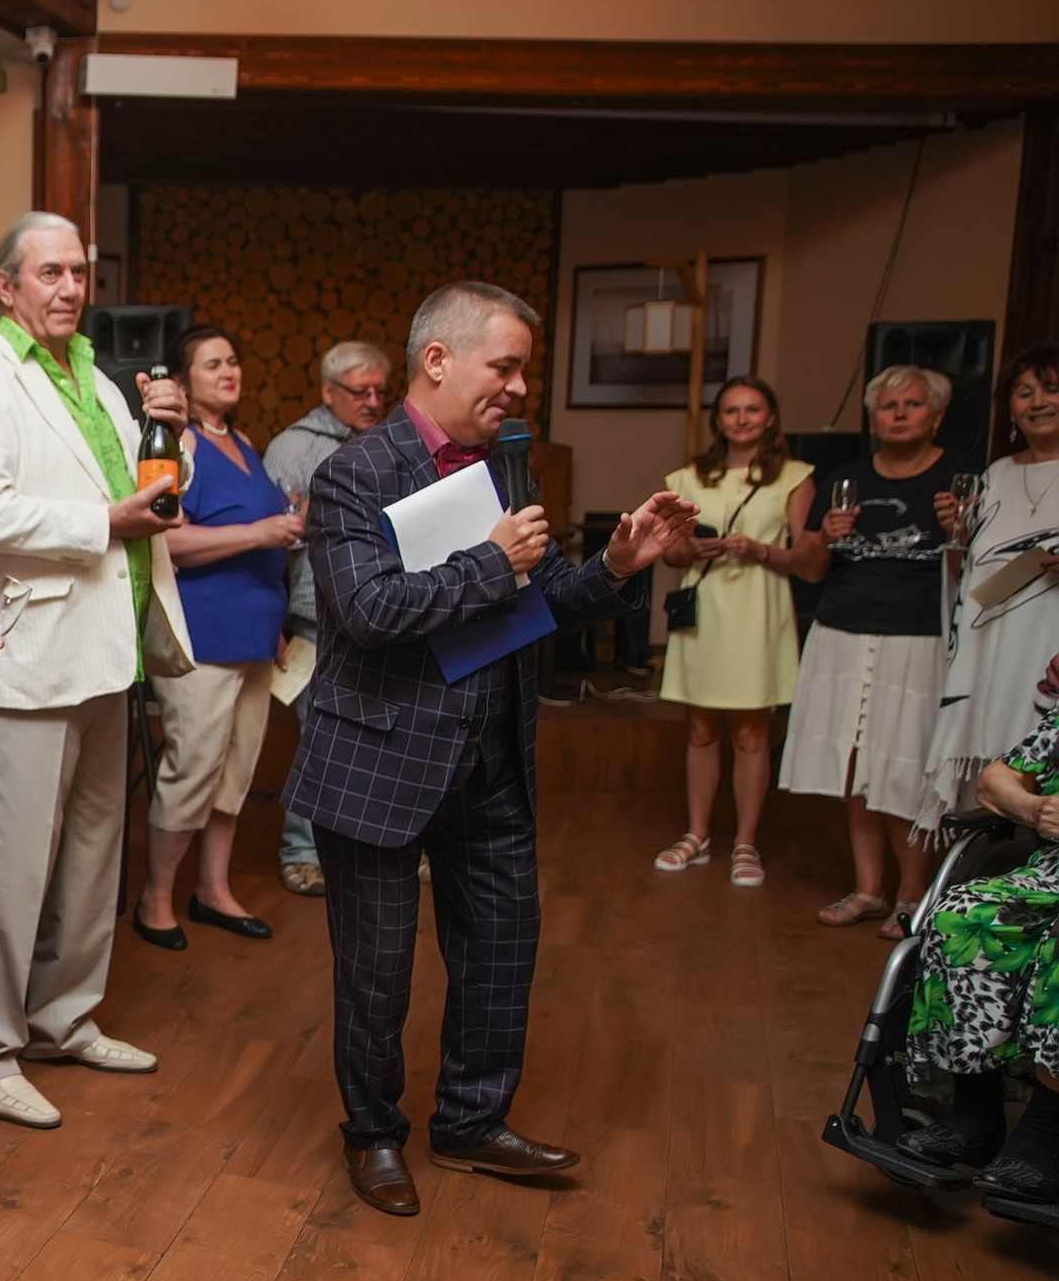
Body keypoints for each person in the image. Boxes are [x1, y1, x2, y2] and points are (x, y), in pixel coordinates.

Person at [287, 280, 694, 1217]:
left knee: (503, 956)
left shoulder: (505, 464)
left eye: (522, 370)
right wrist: (492, 564)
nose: (518, 387)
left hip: (491, 761)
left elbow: (541, 593)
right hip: (382, 762)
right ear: (440, 360)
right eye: (503, 366)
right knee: (377, 976)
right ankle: (375, 1135)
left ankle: (472, 1126)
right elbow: (367, 611)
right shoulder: (355, 472)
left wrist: (620, 564)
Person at [0, 210, 194, 1130]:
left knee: (93, 853)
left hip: (109, 647)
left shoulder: (102, 377)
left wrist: (177, 434)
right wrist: (102, 526)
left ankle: (65, 1017)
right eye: (49, 273)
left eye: (79, 272)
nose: (70, 289)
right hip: (29, 650)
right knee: (12, 864)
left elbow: (152, 494)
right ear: (7, 286)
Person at [779, 364, 958, 938]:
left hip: (919, 637)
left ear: (936, 415)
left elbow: (977, 573)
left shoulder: (961, 481)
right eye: (888, 406)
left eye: (912, 404)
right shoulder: (844, 478)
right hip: (842, 632)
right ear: (873, 416)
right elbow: (807, 570)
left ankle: (913, 897)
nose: (899, 414)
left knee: (905, 764)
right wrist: (823, 537)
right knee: (854, 764)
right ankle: (869, 890)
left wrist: (966, 530)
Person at [134, 323, 298, 949]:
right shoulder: (183, 447)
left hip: (257, 634)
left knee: (234, 770)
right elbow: (168, 538)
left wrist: (277, 625)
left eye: (233, 360)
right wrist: (261, 535)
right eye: (212, 365)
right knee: (193, 768)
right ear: (181, 381)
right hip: (201, 635)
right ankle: (155, 900)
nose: (228, 372)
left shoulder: (246, 443)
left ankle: (214, 890)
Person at [899, 661, 1059, 1200]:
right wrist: (1035, 809)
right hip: (1051, 874)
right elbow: (995, 779)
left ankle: (1045, 1135)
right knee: (962, 913)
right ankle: (976, 1111)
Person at [652, 375, 816, 888]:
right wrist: (692, 549)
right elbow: (670, 551)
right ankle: (697, 834)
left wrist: (762, 550)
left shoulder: (795, 476)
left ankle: (746, 843)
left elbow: (808, 562)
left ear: (770, 417)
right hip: (705, 606)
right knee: (699, 728)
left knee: (751, 733)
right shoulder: (686, 477)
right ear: (717, 420)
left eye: (752, 409)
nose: (741, 418)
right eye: (730, 410)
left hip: (758, 607)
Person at [263, 339, 393, 897]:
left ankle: (380, 854)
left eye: (380, 392)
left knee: (384, 744)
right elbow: (271, 543)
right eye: (358, 392)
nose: (370, 401)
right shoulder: (294, 448)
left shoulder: (392, 444)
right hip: (318, 621)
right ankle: (303, 852)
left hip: (387, 615)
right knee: (322, 742)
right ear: (327, 392)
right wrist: (274, 619)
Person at [926, 346, 1059, 821]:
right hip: (993, 655)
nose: (1038, 402)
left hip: (1050, 657)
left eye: (1051, 388)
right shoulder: (993, 477)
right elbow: (970, 586)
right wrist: (955, 536)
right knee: (991, 785)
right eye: (1024, 393)